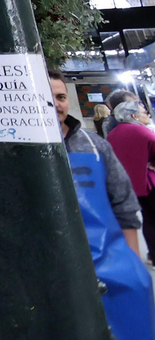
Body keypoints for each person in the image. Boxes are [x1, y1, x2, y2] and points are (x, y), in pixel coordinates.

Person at [51, 72, 153, 339]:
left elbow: (124, 203)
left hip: (106, 262)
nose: (57, 104)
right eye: (47, 97)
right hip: (50, 270)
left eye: (61, 96)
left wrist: (132, 262)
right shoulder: (15, 151)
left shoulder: (94, 147)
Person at [106, 99, 155, 265]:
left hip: (129, 185)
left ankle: (153, 256)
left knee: (148, 220)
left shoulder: (112, 134)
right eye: (143, 111)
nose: (147, 114)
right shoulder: (143, 132)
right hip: (150, 183)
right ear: (134, 115)